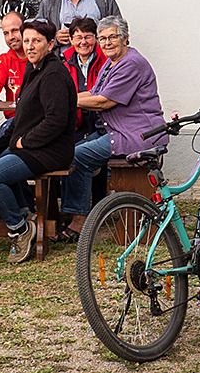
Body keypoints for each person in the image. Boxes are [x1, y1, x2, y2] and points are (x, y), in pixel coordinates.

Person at [0, 19, 77, 264]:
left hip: (49, 150)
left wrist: (26, 141)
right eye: (27, 41)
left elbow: (56, 120)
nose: (30, 46)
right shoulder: (34, 69)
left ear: (51, 44)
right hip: (31, 147)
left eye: (37, 41)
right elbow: (25, 114)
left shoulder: (53, 74)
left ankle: (19, 228)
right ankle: (26, 215)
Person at [60, 15, 166, 226]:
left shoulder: (131, 64)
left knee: (76, 157)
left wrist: (65, 102)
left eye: (112, 37)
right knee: (68, 152)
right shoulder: (112, 63)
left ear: (125, 38)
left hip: (137, 135)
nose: (107, 43)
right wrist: (64, 97)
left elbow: (104, 101)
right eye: (102, 38)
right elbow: (94, 92)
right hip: (117, 131)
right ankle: (87, 211)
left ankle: (80, 219)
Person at [61, 16, 103, 130]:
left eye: (88, 37)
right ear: (71, 40)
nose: (83, 42)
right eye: (78, 37)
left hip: (103, 124)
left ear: (96, 38)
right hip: (76, 125)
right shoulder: (64, 66)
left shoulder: (106, 62)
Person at [0, 7, 27, 102]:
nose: (11, 37)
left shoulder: (39, 57)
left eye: (15, 30)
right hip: (14, 112)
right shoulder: (4, 60)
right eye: (6, 33)